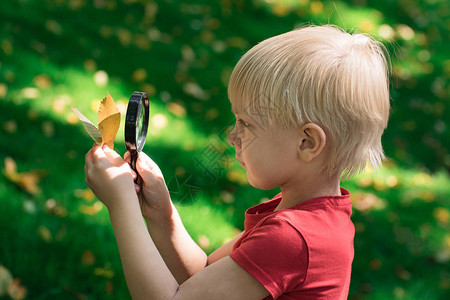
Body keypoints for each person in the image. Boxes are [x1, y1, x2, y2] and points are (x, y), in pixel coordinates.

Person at [84, 24, 390, 299]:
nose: (232, 136)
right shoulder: (307, 216)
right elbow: (203, 278)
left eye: (246, 124)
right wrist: (161, 214)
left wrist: (121, 204)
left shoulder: (293, 238)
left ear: (307, 143)